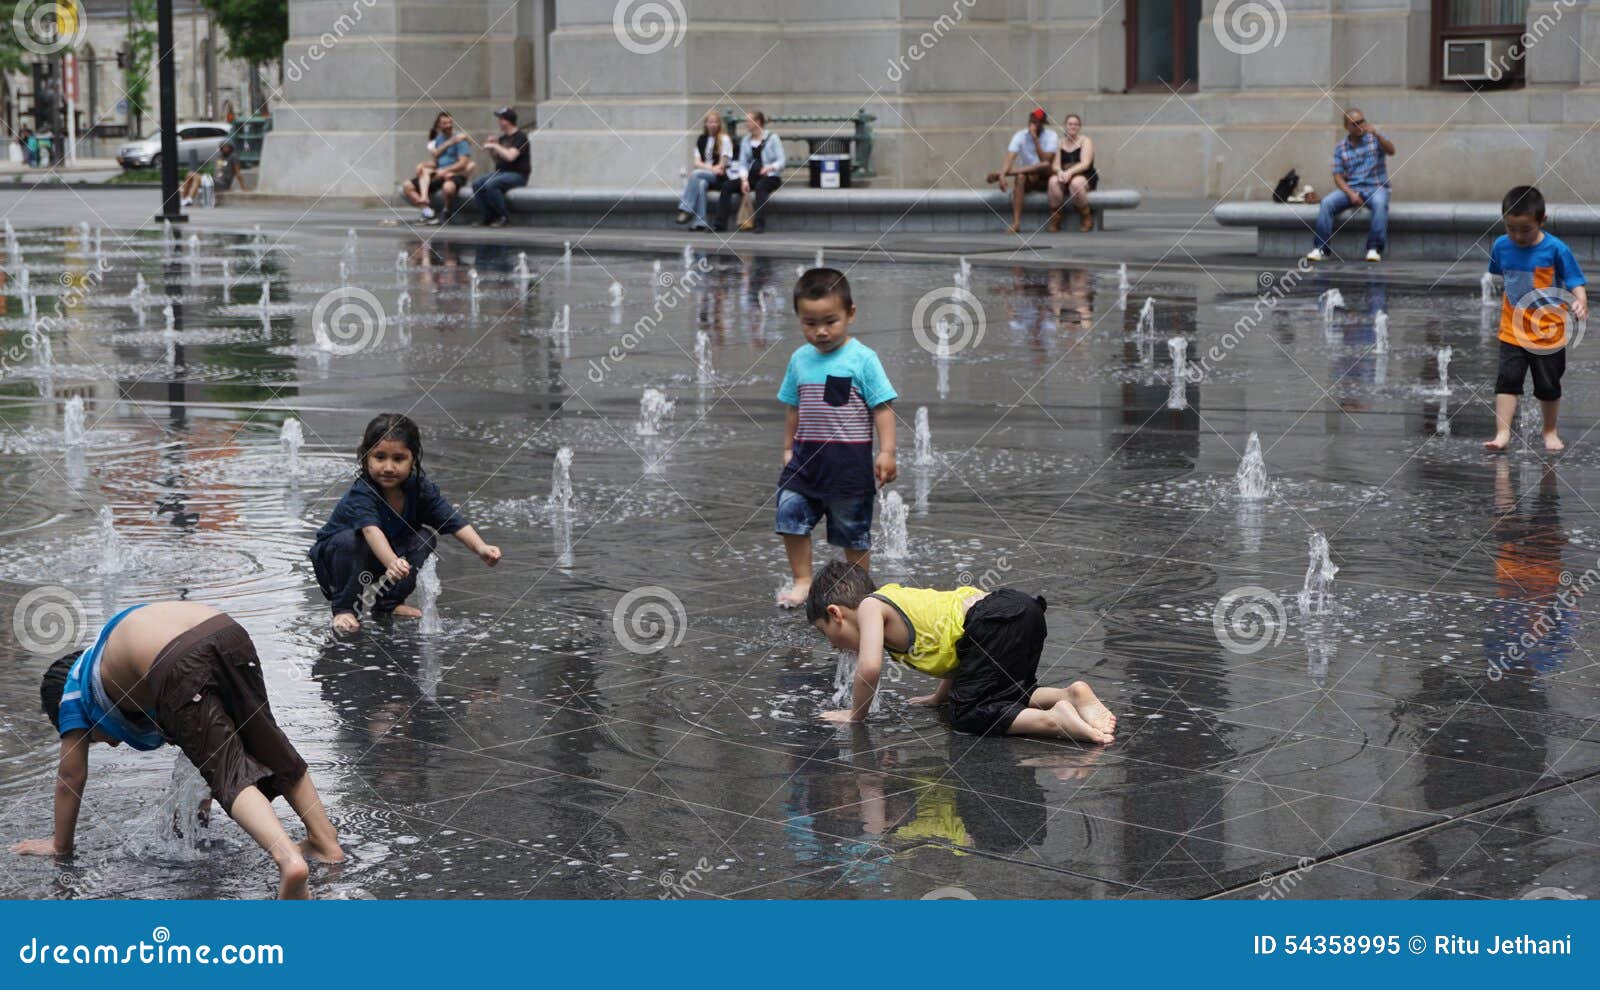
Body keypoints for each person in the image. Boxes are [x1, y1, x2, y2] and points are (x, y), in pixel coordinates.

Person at [13, 601, 345, 899]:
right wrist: (193, 822)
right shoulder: (116, 665)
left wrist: (60, 845)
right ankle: (324, 840)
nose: (111, 742)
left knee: (228, 774)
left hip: (177, 657)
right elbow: (199, 749)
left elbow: (70, 777)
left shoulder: (73, 691)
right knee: (268, 743)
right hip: (226, 630)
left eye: (95, 739)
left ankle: (289, 862)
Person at [805, 560, 1118, 742]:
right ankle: (1071, 696)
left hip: (992, 620)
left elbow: (869, 669)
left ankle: (1055, 720)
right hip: (1021, 612)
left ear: (836, 613)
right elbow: (961, 661)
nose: (832, 645)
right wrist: (938, 697)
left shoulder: (872, 606)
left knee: (965, 714)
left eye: (826, 633)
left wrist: (855, 715)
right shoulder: (895, 608)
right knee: (1000, 696)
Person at [310, 413, 502, 634]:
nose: (389, 467)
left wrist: (481, 547)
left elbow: (451, 519)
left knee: (424, 538)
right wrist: (392, 562)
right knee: (349, 541)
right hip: (339, 560)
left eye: (398, 459)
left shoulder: (419, 489)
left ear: (413, 460)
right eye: (379, 457)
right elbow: (371, 531)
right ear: (366, 458)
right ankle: (344, 609)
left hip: (382, 558)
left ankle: (389, 603)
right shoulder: (362, 492)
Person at [774, 268, 897, 608]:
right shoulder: (799, 359)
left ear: (850, 314)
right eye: (810, 323)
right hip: (804, 462)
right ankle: (802, 580)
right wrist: (787, 447)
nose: (821, 332)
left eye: (830, 321)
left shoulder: (862, 359)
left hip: (848, 467)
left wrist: (887, 452)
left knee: (853, 532)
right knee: (790, 519)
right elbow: (792, 408)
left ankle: (859, 589)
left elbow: (883, 408)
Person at [1483, 185, 1588, 453]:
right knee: (1507, 382)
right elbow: (1499, 273)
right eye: (1510, 228)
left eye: (1525, 229)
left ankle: (1549, 431)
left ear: (1542, 221)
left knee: (1548, 386)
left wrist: (1580, 301)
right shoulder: (1501, 246)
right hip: (1512, 331)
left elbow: (1575, 280)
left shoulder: (1556, 249)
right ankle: (1502, 433)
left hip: (1548, 333)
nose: (1517, 236)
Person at [1305, 108, 1395, 263]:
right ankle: (1321, 248)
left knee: (1380, 203)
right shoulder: (1341, 147)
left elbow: (1391, 151)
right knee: (1327, 203)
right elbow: (1338, 176)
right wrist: (1350, 194)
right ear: (1347, 127)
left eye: (1362, 121)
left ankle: (1374, 249)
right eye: (1355, 124)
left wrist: (1378, 135)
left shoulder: (1375, 139)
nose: (1360, 126)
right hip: (1353, 187)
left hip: (1376, 186)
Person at [987, 108, 1060, 233]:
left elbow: (1045, 161)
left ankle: (1001, 173)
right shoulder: (1020, 136)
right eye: (1032, 122)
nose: (1034, 125)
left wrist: (1035, 139)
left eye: (1038, 122)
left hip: (1045, 177)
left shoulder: (1051, 136)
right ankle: (1016, 223)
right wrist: (1003, 176)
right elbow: (1010, 156)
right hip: (1028, 177)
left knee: (1043, 165)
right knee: (1020, 177)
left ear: (1043, 124)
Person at [714, 110, 785, 234]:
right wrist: (744, 180)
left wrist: (770, 168)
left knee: (760, 187)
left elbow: (781, 161)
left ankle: (759, 224)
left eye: (748, 121)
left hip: (770, 176)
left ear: (757, 122)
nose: (746, 124)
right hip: (751, 176)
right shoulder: (746, 140)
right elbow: (743, 164)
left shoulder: (773, 138)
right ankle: (720, 224)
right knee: (727, 186)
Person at [403, 112, 475, 223]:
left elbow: (463, 164)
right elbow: (436, 163)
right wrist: (423, 164)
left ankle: (446, 212)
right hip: (439, 173)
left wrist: (446, 170)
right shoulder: (438, 140)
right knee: (407, 185)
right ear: (439, 125)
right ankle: (427, 210)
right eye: (445, 123)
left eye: (450, 122)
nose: (448, 125)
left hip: (455, 174)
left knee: (448, 188)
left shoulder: (460, 140)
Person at [468, 106, 530, 228]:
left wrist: (496, 146)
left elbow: (511, 156)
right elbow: (498, 160)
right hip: (502, 173)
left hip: (518, 175)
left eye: (501, 119)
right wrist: (493, 148)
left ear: (507, 121)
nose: (499, 122)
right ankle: (488, 217)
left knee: (491, 184)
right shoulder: (502, 138)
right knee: (477, 183)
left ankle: (504, 217)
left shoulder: (521, 137)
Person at [676, 110, 733, 231]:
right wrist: (712, 168)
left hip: (720, 177)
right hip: (706, 174)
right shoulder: (701, 139)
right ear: (705, 124)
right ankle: (700, 222)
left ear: (719, 124)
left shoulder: (724, 139)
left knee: (696, 174)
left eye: (715, 122)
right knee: (701, 184)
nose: (712, 124)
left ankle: (686, 208)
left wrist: (714, 168)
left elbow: (722, 165)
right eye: (710, 122)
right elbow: (697, 162)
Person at [1048, 112, 1099, 232]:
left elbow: (1085, 163)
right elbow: (1055, 165)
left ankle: (1086, 216)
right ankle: (1056, 216)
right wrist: (1060, 172)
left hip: (1084, 175)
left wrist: (1069, 172)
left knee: (1076, 184)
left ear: (1079, 127)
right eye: (1070, 124)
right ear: (1065, 126)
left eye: (1076, 124)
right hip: (1065, 175)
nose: (1073, 126)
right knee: (1052, 181)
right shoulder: (1059, 142)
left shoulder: (1085, 141)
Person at [180, 141, 247, 205]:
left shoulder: (233, 157)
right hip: (214, 180)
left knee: (196, 177)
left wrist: (243, 188)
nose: (225, 148)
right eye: (223, 147)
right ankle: (183, 199)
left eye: (227, 147)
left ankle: (190, 199)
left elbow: (238, 173)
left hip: (223, 183)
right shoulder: (220, 157)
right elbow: (217, 171)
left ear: (231, 148)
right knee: (189, 174)